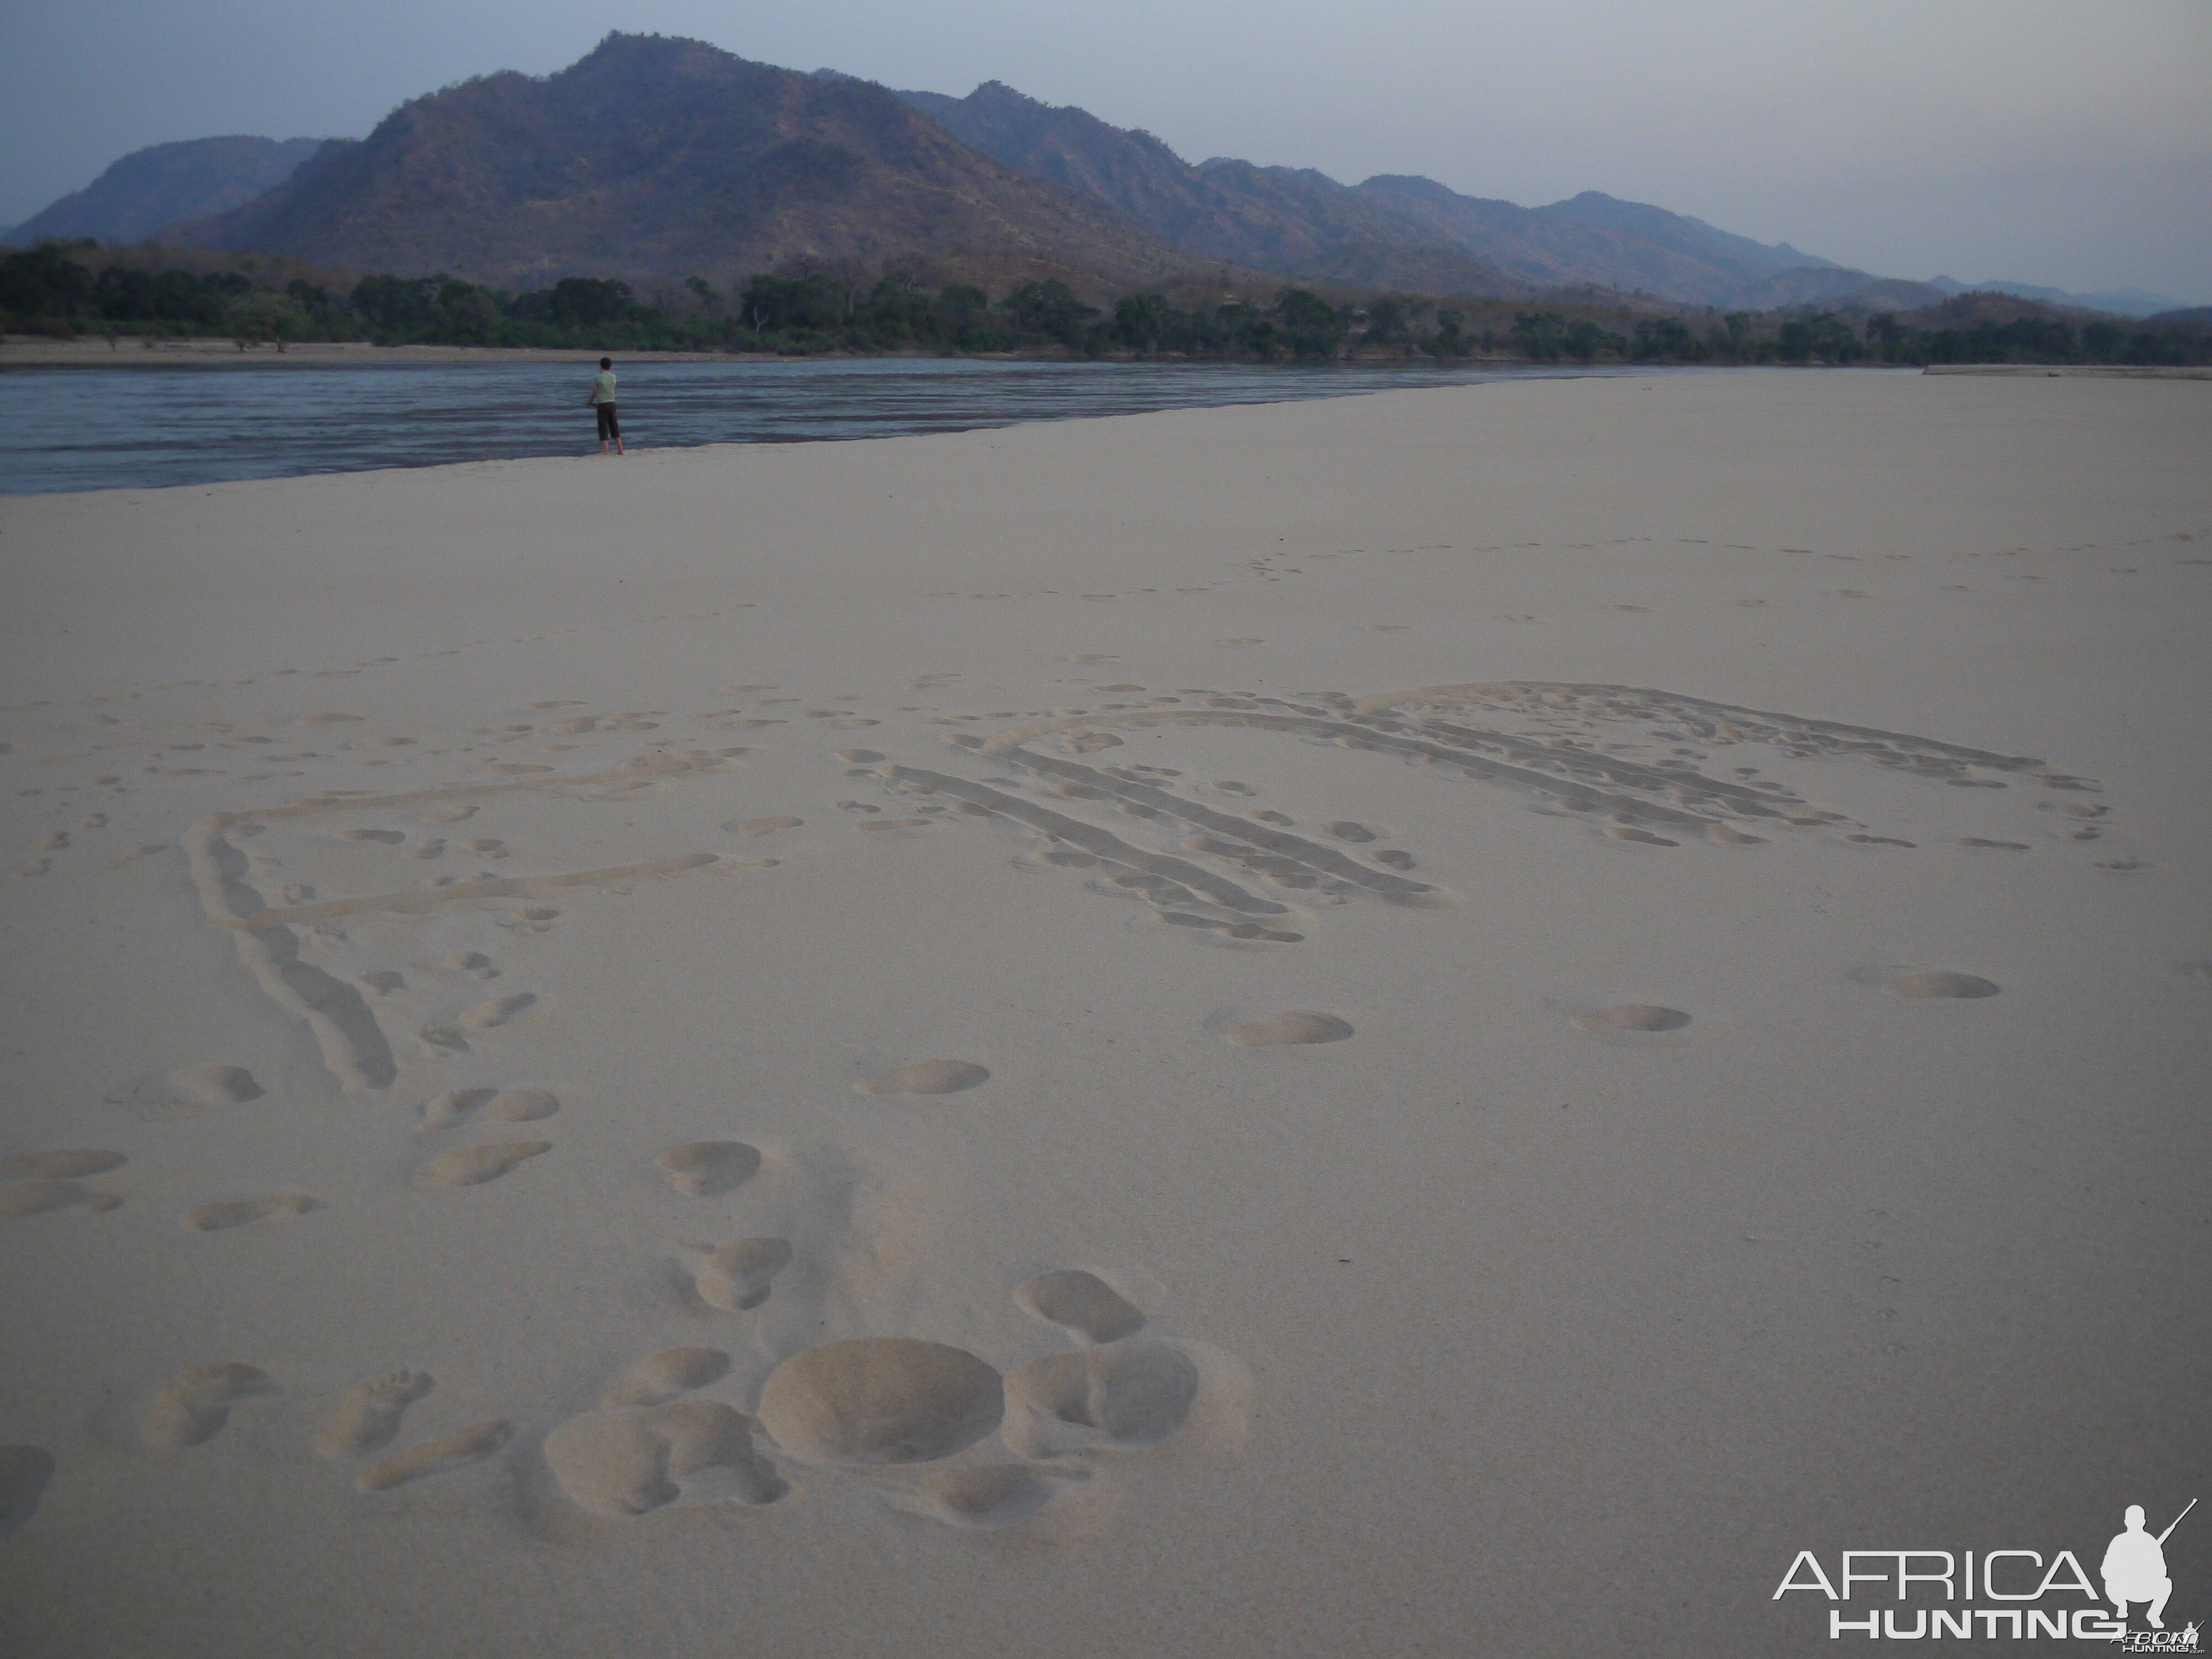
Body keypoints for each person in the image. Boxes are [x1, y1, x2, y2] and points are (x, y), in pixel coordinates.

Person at [2102, 1505, 2173, 1627]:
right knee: (2109, 1583)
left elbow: (2163, 1571)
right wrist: (2123, 1571)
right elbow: (2105, 1570)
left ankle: (2154, 1615)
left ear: (2143, 1522)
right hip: (2122, 1589)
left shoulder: (2151, 1542)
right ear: (2126, 1522)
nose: (2134, 1523)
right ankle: (2122, 1606)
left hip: (2145, 1588)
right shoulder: (2118, 1541)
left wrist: (2146, 1570)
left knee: (2167, 1584)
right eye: (2131, 1520)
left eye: (2137, 1520)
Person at [586, 356, 623, 455]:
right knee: (614, 426)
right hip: (612, 403)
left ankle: (606, 451)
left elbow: (594, 393)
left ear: (600, 365)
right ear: (610, 366)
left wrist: (589, 402)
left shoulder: (597, 377)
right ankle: (620, 449)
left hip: (602, 404)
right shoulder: (613, 377)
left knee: (603, 427)